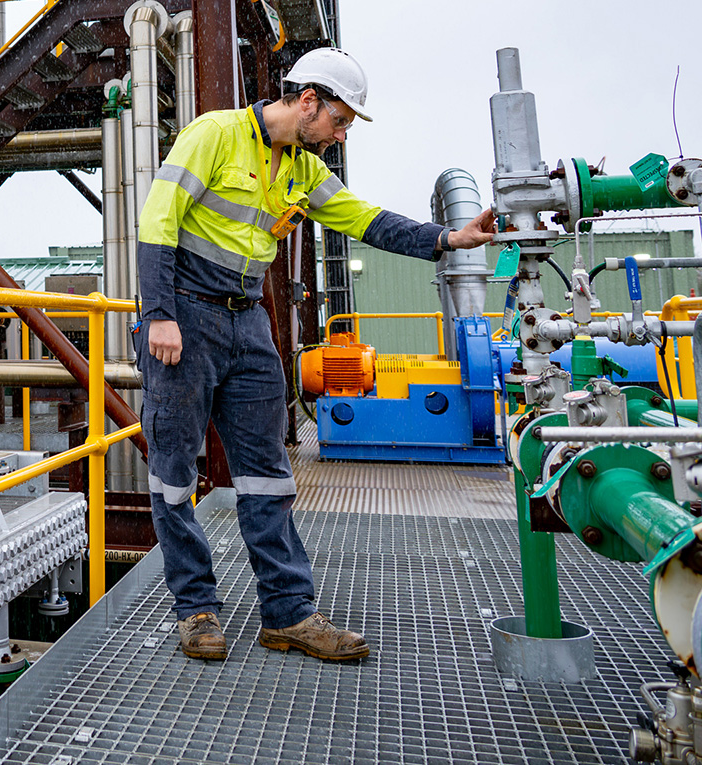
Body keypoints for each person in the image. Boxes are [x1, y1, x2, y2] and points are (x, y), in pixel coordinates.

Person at [137, 47, 495, 662]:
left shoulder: (303, 170)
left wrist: (446, 238)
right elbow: (157, 222)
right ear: (309, 101)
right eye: (340, 120)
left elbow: (365, 220)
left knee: (266, 474)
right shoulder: (214, 134)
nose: (341, 132)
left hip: (248, 322)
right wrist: (159, 317)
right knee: (173, 473)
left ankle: (288, 613)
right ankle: (196, 608)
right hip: (187, 317)